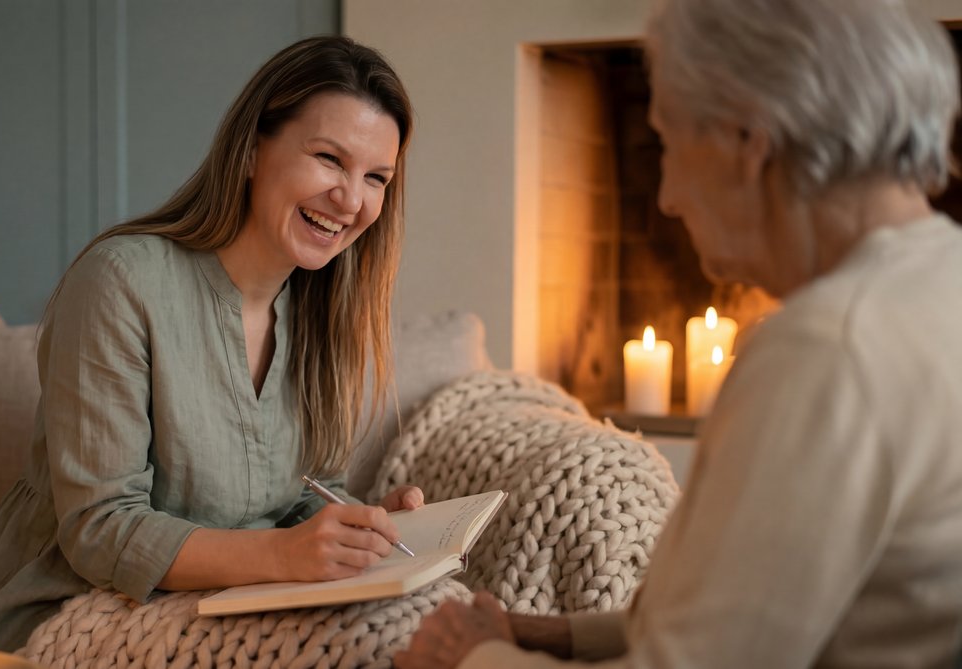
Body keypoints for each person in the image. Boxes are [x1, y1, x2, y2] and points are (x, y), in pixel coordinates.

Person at [396, 0, 962, 666]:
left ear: (746, 141)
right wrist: (554, 633)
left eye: (666, 141)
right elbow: (761, 613)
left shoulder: (827, 348)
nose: (666, 195)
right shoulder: (938, 278)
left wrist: (473, 655)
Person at [0, 35, 424, 652]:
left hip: (229, 604)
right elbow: (99, 530)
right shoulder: (121, 281)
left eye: (376, 177)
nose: (352, 200)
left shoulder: (320, 310)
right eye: (330, 159)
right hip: (67, 612)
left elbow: (301, 499)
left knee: (422, 616)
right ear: (253, 149)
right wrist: (284, 555)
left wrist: (360, 529)